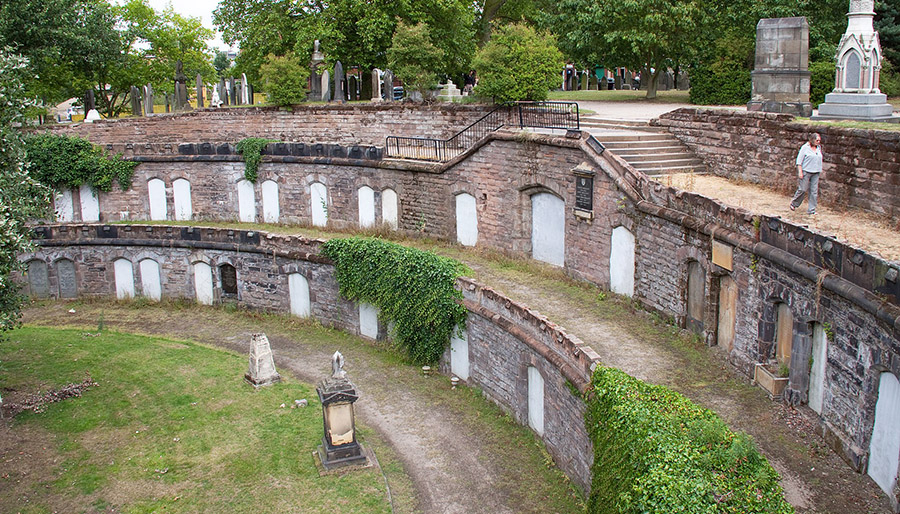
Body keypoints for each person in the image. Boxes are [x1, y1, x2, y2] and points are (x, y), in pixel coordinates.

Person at [790, 133, 824, 214]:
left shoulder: (818, 148)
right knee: (802, 189)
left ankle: (811, 210)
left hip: (816, 172)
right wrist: (800, 172)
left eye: (819, 140)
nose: (818, 142)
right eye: (817, 140)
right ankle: (794, 203)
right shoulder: (805, 148)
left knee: (814, 191)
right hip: (806, 171)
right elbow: (799, 161)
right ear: (812, 140)